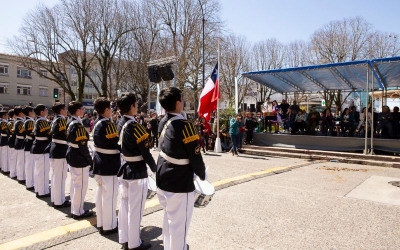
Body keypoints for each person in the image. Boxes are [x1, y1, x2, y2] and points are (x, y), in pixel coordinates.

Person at [156, 87, 206, 250]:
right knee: (180, 225)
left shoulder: (163, 121)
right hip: (179, 180)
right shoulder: (185, 125)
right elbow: (195, 154)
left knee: (170, 218)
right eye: (182, 99)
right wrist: (202, 174)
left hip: (163, 174)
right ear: (178, 103)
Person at [116, 92, 156, 250]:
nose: (138, 106)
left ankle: (125, 239)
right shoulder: (135, 127)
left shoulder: (120, 122)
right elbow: (145, 152)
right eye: (136, 104)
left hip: (125, 168)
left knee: (125, 206)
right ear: (132, 106)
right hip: (136, 171)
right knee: (135, 210)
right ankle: (134, 243)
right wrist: (155, 170)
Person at [92, 97, 120, 235]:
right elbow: (117, 143)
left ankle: (102, 221)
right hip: (109, 163)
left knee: (101, 194)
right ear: (107, 110)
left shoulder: (97, 122)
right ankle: (109, 226)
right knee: (110, 196)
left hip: (99, 162)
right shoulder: (108, 125)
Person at [66, 101, 93, 219]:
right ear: (77, 110)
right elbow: (83, 147)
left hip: (72, 154)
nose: (84, 110)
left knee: (75, 183)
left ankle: (75, 208)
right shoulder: (77, 126)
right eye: (82, 108)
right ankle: (78, 211)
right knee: (80, 185)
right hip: (79, 156)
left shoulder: (71, 122)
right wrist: (90, 160)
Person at [49, 102, 70, 208]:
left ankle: (55, 198)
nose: (66, 111)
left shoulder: (56, 119)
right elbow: (65, 135)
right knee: (60, 177)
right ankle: (59, 201)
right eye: (65, 109)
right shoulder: (61, 120)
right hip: (60, 149)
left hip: (56, 148)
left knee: (56, 176)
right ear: (61, 110)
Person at [31, 104, 51, 198]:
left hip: (39, 146)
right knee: (43, 171)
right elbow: (48, 134)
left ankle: (39, 189)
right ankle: (43, 191)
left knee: (38, 170)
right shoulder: (42, 121)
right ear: (42, 112)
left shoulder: (39, 120)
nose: (47, 111)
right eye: (46, 109)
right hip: (42, 147)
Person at [23, 106, 35, 190]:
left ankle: (29, 182)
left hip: (28, 142)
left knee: (29, 164)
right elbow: (32, 134)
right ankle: (30, 183)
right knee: (30, 164)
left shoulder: (27, 120)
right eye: (33, 111)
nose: (34, 113)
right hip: (30, 142)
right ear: (29, 112)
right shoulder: (30, 121)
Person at [13, 106, 26, 183]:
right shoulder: (20, 122)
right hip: (21, 141)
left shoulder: (18, 121)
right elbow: (23, 132)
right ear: (20, 113)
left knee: (20, 160)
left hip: (19, 141)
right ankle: (21, 177)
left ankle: (20, 175)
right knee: (21, 161)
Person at [7, 109, 17, 179]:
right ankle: (12, 173)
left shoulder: (15, 122)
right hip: (12, 141)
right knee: (13, 158)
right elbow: (12, 132)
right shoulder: (11, 123)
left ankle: (15, 172)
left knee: (15, 158)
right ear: (14, 115)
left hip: (14, 141)